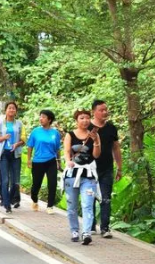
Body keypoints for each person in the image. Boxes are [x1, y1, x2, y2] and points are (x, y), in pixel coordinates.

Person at [62, 110, 101, 245]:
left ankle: (86, 233)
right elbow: (67, 151)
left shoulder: (94, 135)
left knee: (87, 204)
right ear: (77, 120)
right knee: (72, 205)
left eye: (87, 118)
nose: (85, 120)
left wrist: (96, 141)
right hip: (72, 174)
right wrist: (68, 161)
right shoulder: (70, 135)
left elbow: (96, 155)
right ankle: (74, 230)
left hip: (88, 175)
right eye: (81, 118)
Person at [89, 100, 122, 238]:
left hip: (107, 168)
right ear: (94, 112)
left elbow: (116, 147)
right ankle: (90, 226)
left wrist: (119, 167)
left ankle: (105, 228)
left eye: (106, 110)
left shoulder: (111, 128)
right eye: (101, 110)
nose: (104, 112)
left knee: (106, 198)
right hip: (90, 168)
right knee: (90, 197)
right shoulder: (87, 126)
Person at [27, 110, 62, 214]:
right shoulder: (35, 132)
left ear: (49, 120)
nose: (41, 119)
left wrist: (58, 161)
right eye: (40, 116)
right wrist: (29, 159)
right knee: (36, 185)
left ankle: (50, 206)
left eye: (43, 117)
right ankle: (34, 200)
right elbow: (30, 146)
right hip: (38, 161)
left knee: (53, 183)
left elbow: (57, 148)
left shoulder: (55, 133)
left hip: (51, 161)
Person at [0, 102, 26, 213]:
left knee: (15, 181)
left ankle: (11, 198)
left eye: (13, 108)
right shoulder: (0, 124)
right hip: (4, 154)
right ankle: (7, 204)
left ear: (16, 111)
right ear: (5, 110)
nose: (11, 110)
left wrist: (17, 144)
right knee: (5, 180)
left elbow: (24, 139)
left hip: (15, 154)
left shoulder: (20, 124)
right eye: (9, 108)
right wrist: (4, 137)